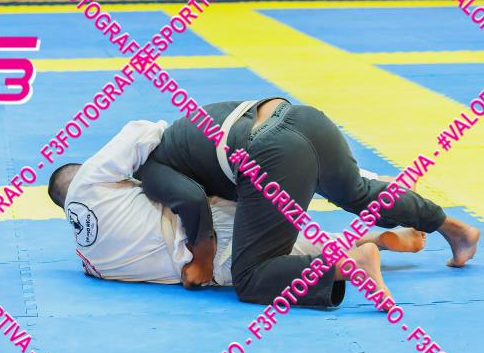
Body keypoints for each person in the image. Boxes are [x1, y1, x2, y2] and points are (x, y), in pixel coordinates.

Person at [47, 120, 429, 309]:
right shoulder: (89, 180)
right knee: (281, 228)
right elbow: (142, 130)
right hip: (205, 227)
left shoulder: (89, 262)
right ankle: (363, 241)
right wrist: (161, 161)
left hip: (202, 259)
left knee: (280, 256)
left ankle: (361, 251)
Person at [134, 98, 480, 305]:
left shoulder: (149, 169)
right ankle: (455, 229)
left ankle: (352, 263)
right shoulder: (180, 132)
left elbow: (191, 199)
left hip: (271, 151)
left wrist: (202, 258)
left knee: (251, 277)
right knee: (359, 193)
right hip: (304, 118)